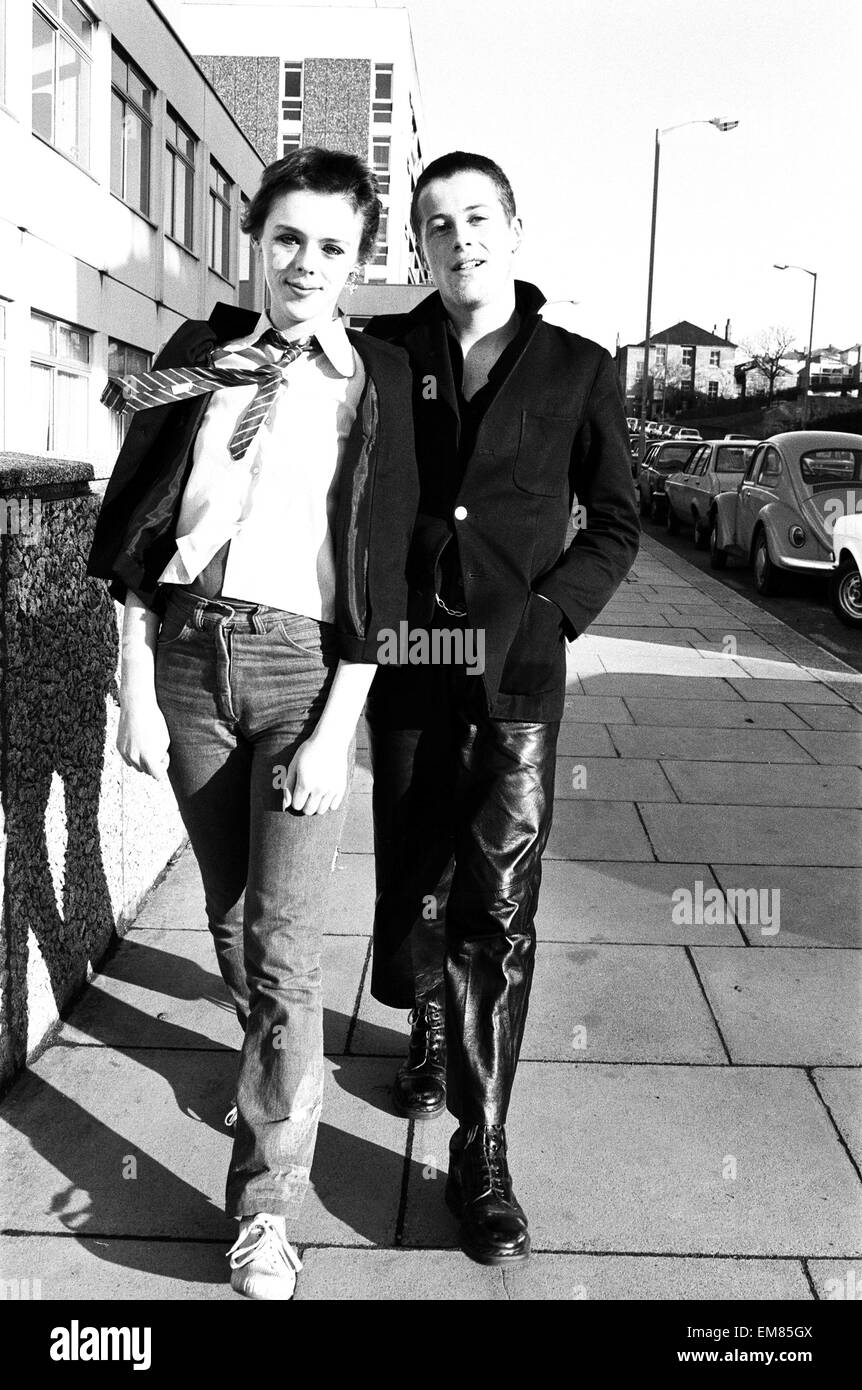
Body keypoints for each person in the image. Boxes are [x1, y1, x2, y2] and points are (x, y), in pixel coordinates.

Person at [87, 148, 418, 1299]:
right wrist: (134, 676)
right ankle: (269, 1063)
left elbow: (381, 566)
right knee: (232, 929)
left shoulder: (377, 381)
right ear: (256, 239)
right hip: (185, 656)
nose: (307, 264)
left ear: (358, 262)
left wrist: (340, 728)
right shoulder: (199, 355)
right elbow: (137, 521)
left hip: (302, 673)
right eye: (289, 239)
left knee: (282, 953)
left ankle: (263, 1206)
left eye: (333, 247)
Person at [364, 151, 640, 1266]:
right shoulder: (384, 356)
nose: (459, 237)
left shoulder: (580, 368)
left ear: (516, 230)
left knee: (500, 912)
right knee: (412, 881)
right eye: (437, 224)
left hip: (516, 679)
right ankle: (427, 1020)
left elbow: (616, 521)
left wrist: (550, 616)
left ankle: (482, 1152)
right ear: (418, 246)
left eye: (478, 218)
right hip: (409, 666)